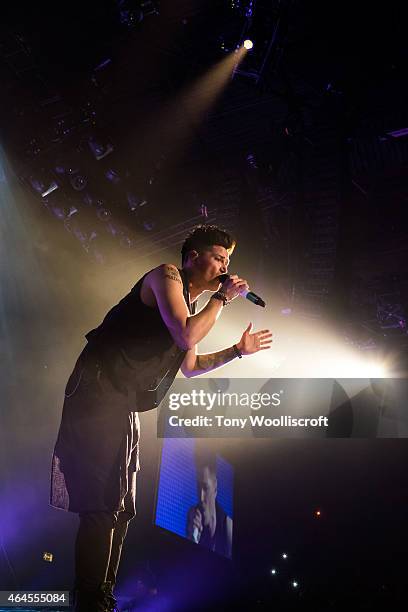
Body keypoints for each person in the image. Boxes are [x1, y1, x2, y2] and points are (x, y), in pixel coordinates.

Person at [50, 224, 273, 612]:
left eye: (228, 260)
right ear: (193, 257)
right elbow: (186, 336)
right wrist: (222, 297)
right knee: (102, 504)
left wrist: (237, 350)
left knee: (121, 506)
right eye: (219, 257)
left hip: (123, 401)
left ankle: (102, 595)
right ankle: (90, 602)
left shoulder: (192, 307)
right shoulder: (165, 276)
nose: (225, 265)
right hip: (98, 390)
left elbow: (189, 364)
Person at [186, 445, 233, 558]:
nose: (201, 497)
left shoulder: (228, 526)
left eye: (206, 488)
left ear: (215, 487)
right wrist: (193, 540)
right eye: (198, 487)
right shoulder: (192, 515)